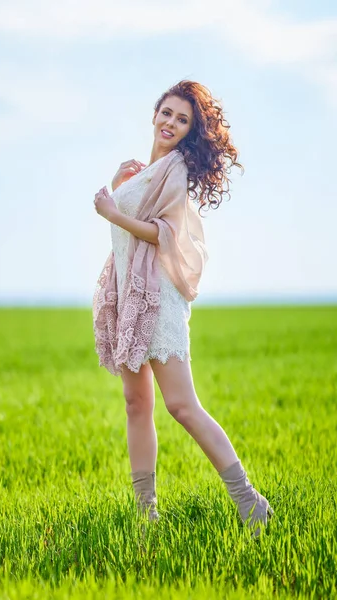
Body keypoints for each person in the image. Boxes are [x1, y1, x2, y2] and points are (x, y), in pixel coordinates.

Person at [93, 80, 274, 538]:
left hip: (157, 299)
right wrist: (119, 186)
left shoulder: (174, 170)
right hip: (129, 293)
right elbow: (132, 227)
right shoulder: (144, 171)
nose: (170, 123)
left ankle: (250, 501)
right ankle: (146, 515)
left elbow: (163, 234)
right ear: (154, 114)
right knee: (137, 404)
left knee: (181, 405)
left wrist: (113, 212)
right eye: (167, 113)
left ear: (190, 131)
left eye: (182, 119)